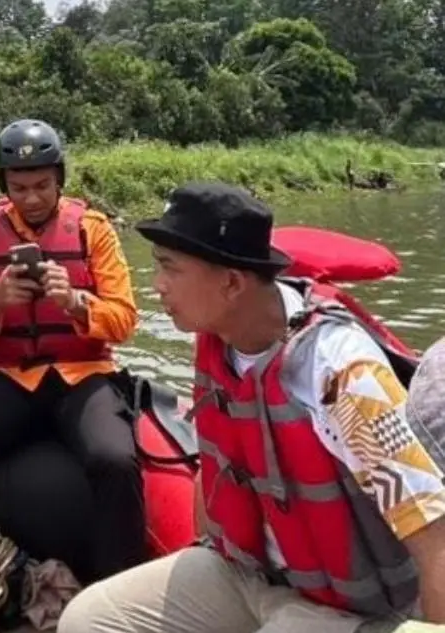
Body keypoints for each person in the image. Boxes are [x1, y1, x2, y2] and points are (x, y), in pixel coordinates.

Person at [57, 182, 445, 633]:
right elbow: (218, 459)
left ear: (232, 282)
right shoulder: (218, 339)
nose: (157, 286)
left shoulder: (342, 375)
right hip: (246, 574)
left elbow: (433, 535)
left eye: (170, 268)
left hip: (347, 609)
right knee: (87, 621)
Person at [0, 119, 144, 633]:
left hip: (83, 373)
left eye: (42, 185)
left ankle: (121, 603)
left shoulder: (94, 231)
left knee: (114, 459)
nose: (32, 198)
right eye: (18, 188)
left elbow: (125, 320)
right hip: (14, 376)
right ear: (4, 187)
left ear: (59, 179)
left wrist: (75, 301)